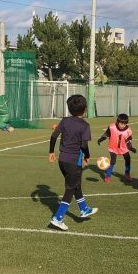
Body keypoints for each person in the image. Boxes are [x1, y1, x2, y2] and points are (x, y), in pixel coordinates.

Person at [48, 95, 97, 231]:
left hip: (62, 161)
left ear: (69, 109)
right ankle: (57, 218)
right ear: (85, 109)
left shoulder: (64, 121)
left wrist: (51, 152)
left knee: (75, 184)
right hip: (73, 162)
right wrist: (87, 156)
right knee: (70, 189)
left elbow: (53, 136)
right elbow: (84, 145)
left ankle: (84, 209)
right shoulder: (85, 126)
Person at [97, 113, 136, 183]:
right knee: (113, 161)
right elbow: (106, 134)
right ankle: (108, 176)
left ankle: (127, 174)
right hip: (113, 148)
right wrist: (101, 139)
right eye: (121, 123)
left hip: (124, 148)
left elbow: (128, 141)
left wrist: (131, 148)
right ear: (118, 122)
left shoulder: (128, 130)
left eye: (125, 124)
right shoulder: (112, 127)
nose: (123, 125)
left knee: (128, 159)